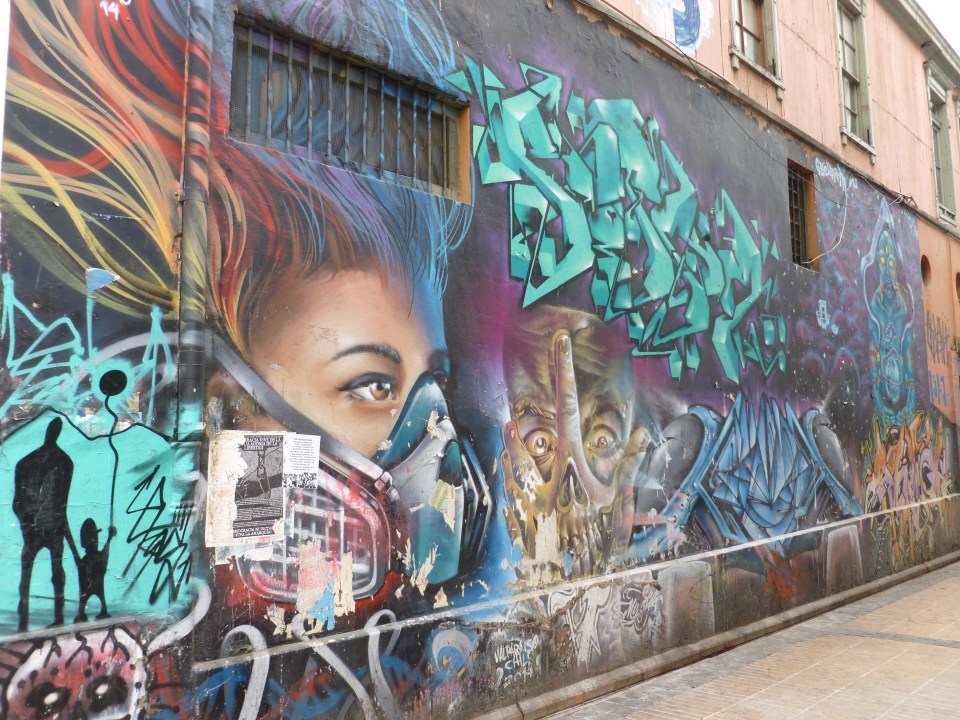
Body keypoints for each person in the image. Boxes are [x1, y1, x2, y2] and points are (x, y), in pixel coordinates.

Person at [13, 417, 76, 631]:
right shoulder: (63, 461)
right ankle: (54, 616)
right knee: (52, 570)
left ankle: (29, 618)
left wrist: (27, 524)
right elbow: (61, 503)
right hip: (49, 526)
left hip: (42, 526)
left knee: (36, 570)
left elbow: (18, 503)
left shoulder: (28, 462)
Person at [73, 518, 117, 622]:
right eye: (94, 538)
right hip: (90, 587)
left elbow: (105, 553)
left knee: (85, 600)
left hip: (89, 588)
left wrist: (109, 538)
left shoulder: (88, 560)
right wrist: (109, 538)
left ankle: (83, 612)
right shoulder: (95, 558)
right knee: (88, 598)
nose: (95, 541)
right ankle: (92, 611)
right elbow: (105, 553)